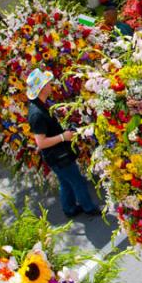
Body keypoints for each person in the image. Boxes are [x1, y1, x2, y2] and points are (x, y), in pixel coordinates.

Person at [26, 68, 101, 219]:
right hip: (58, 156)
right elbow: (40, 142)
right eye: (47, 83)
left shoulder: (41, 105)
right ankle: (89, 208)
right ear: (41, 88)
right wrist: (63, 137)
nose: (50, 85)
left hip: (57, 155)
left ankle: (69, 208)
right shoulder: (37, 114)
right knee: (77, 181)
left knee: (65, 182)